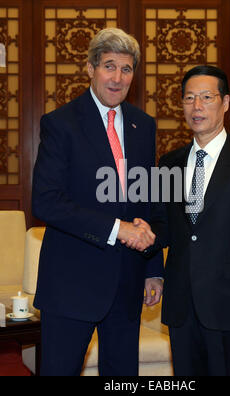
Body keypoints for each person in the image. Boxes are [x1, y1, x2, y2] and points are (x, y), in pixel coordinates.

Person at [32, 28, 164, 376]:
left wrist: (152, 268)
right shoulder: (60, 124)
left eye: (126, 69)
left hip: (128, 283)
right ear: (90, 68)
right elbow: (46, 202)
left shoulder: (143, 125)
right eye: (109, 66)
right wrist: (116, 229)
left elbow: (144, 199)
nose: (117, 78)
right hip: (71, 285)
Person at [144, 65, 230, 376]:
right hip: (182, 306)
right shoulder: (169, 163)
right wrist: (149, 259)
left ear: (225, 103)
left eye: (207, 97)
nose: (197, 106)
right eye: (189, 98)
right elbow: (163, 227)